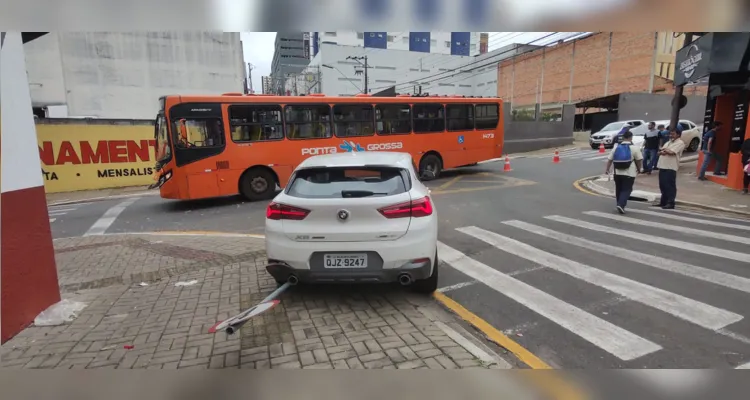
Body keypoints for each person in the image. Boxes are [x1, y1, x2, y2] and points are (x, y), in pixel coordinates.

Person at [605, 130, 643, 214]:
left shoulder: (616, 147)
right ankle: (621, 205)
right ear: (631, 137)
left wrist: (607, 169)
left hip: (617, 172)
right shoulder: (634, 148)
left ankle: (619, 203)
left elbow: (609, 159)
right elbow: (639, 160)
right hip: (629, 173)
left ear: (623, 137)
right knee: (627, 189)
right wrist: (639, 169)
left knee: (619, 189)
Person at [655, 128, 686, 209]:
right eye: (670, 134)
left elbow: (671, 152)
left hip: (670, 167)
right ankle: (663, 202)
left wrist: (664, 151)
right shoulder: (668, 142)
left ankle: (671, 203)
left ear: (678, 135)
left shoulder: (680, 143)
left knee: (670, 186)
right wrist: (663, 151)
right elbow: (661, 151)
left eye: (673, 134)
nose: (671, 135)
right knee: (662, 185)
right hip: (662, 166)